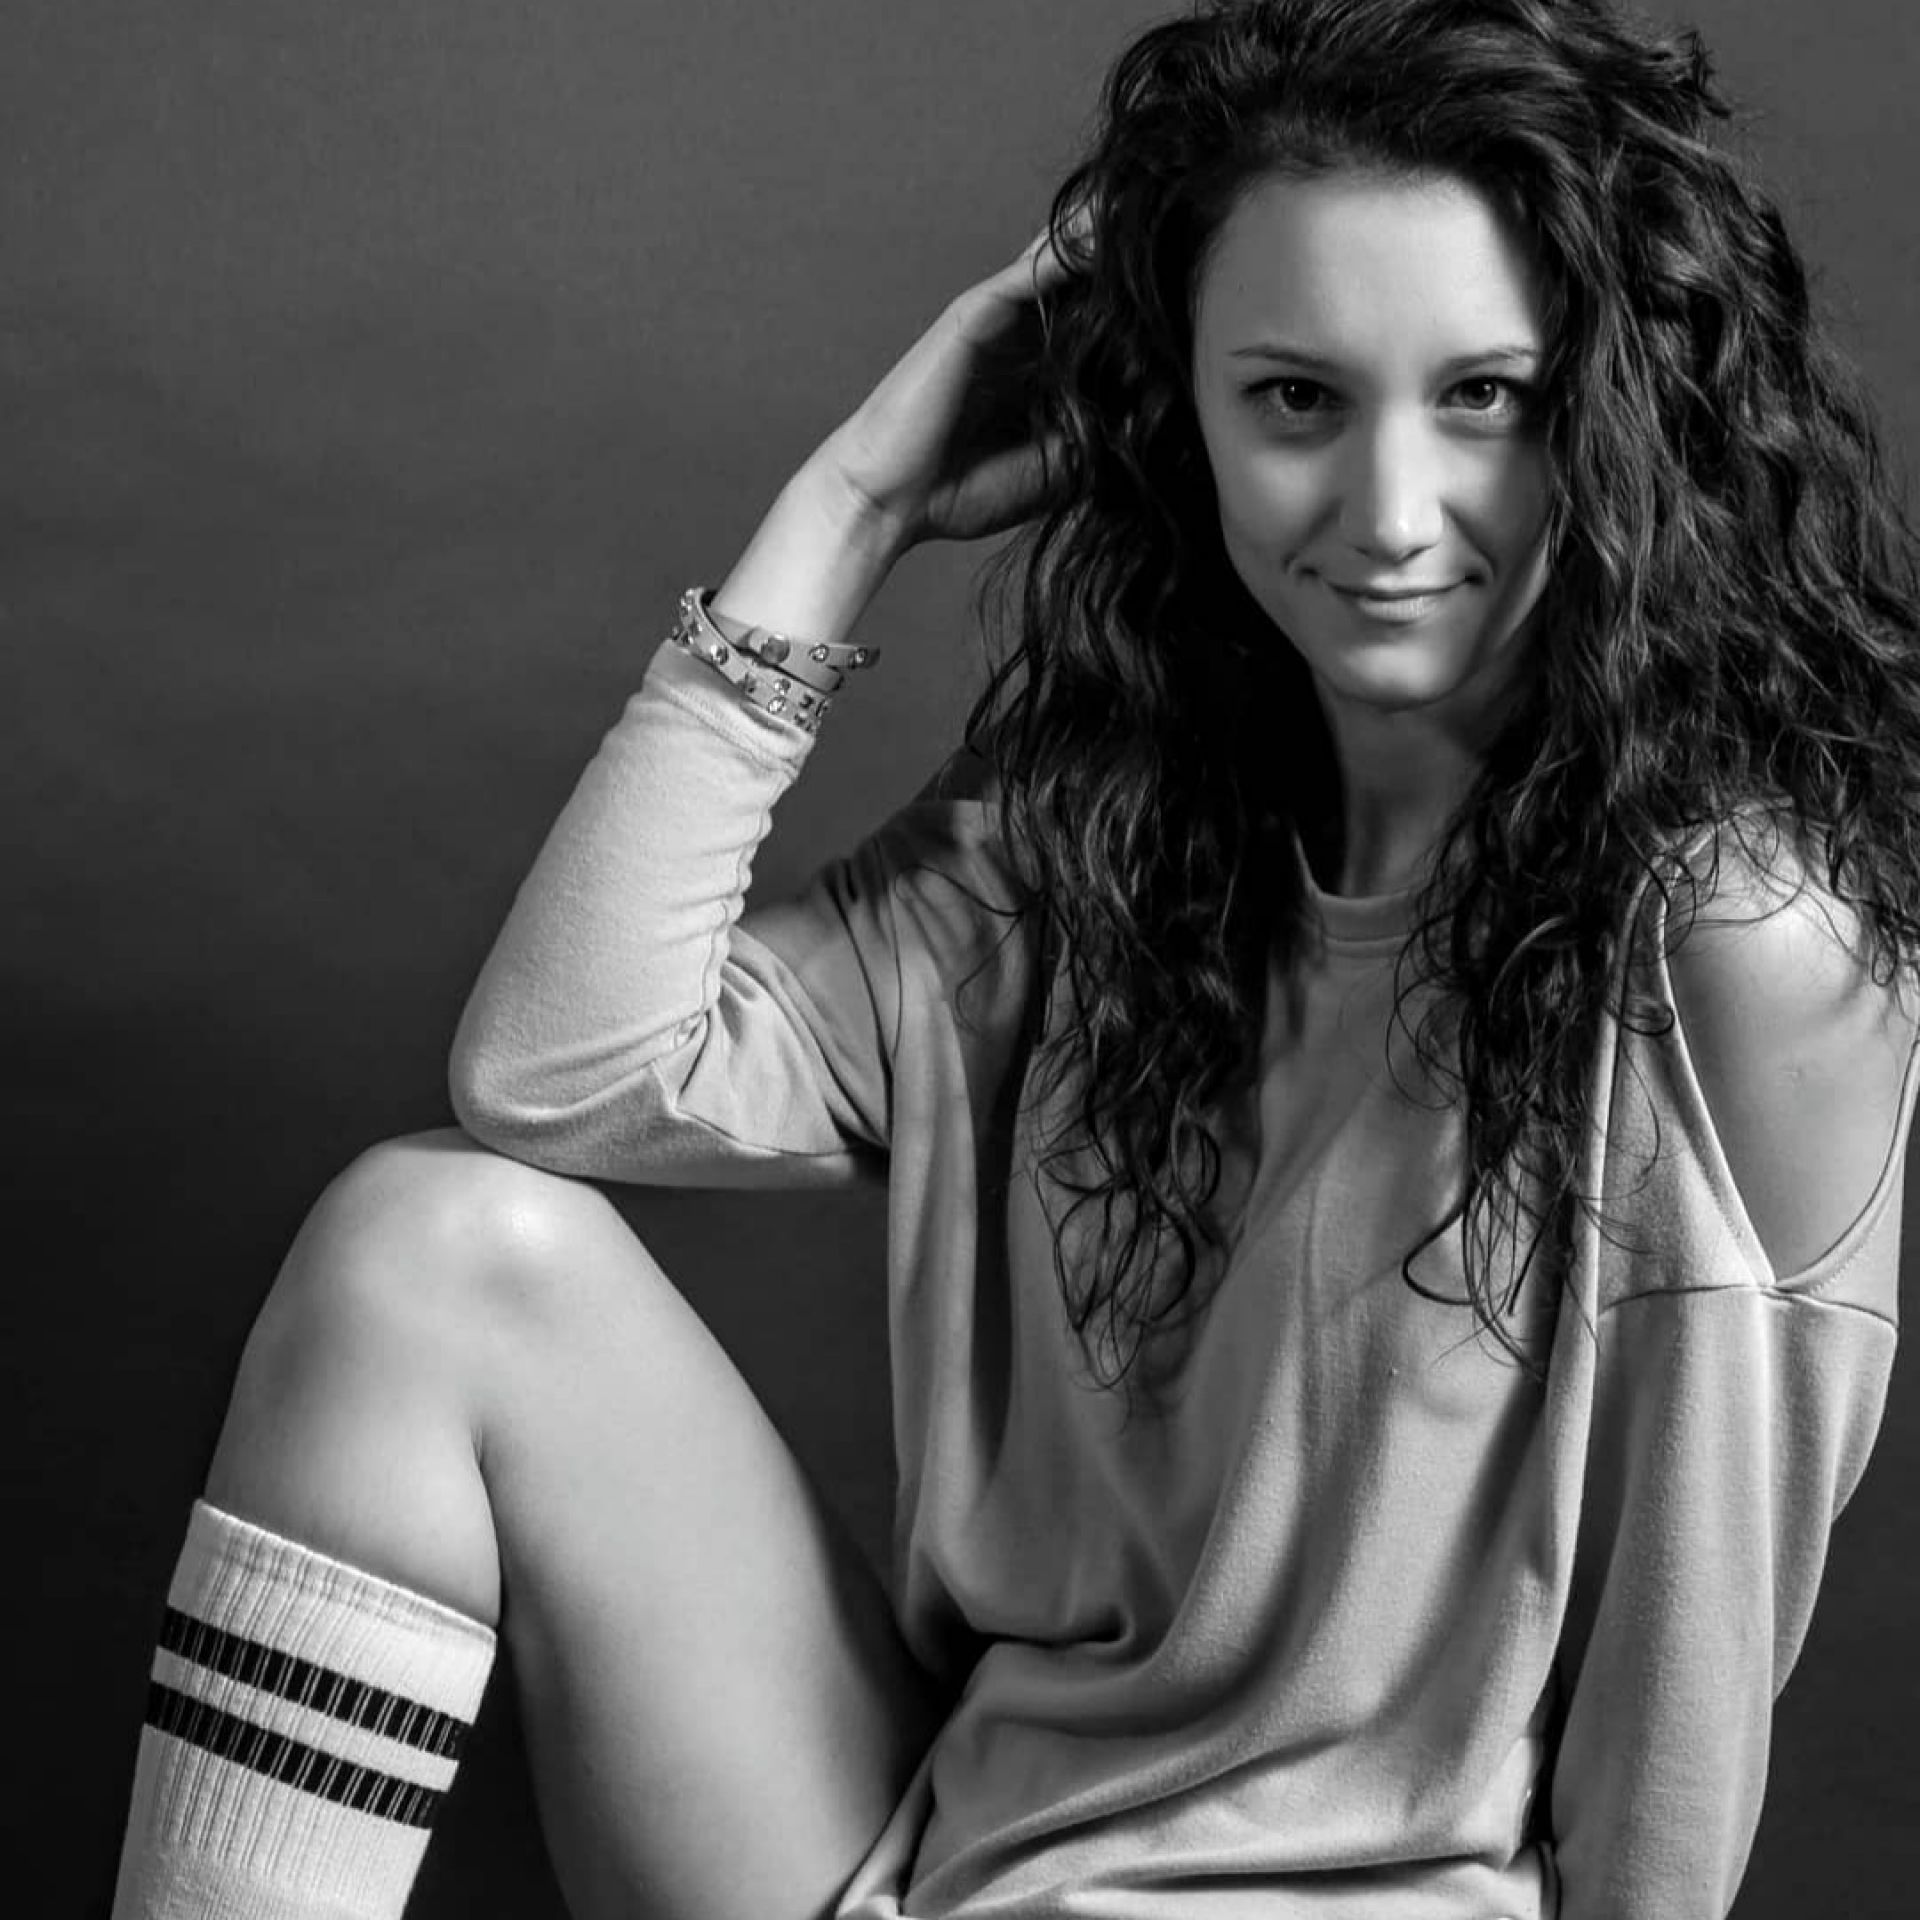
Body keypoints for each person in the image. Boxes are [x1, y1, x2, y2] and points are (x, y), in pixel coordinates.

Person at [108, 1, 1920, 1916]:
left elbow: (1678, 1714)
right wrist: (858, 503)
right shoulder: (1081, 851)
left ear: (1621, 410)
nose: (1393, 516)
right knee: (421, 1249)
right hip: (947, 1872)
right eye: (1295, 399)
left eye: (1487, 395)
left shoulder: (1735, 945)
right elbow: (562, 1076)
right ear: (1181, 411)